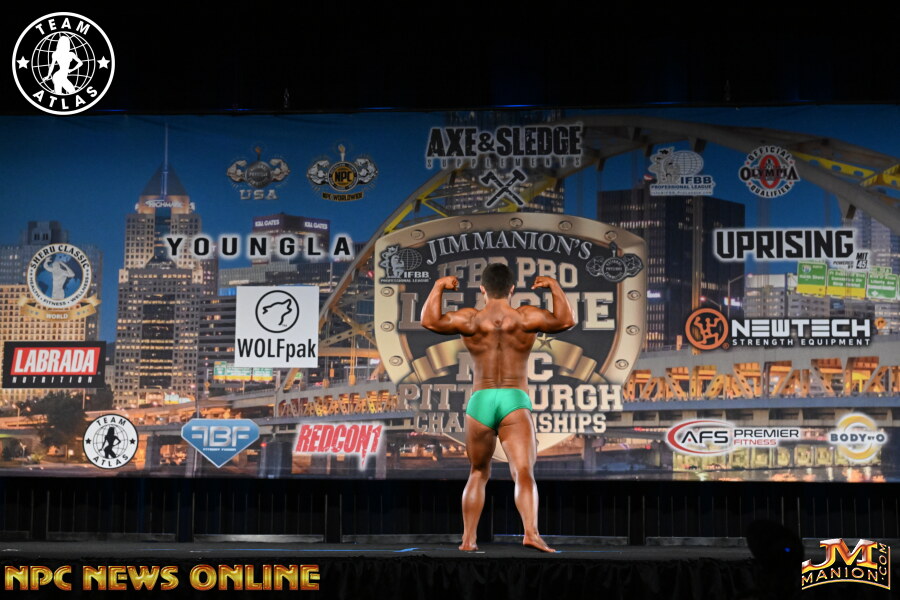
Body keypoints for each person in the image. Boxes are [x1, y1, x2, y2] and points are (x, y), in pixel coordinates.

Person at [421, 262, 575, 552]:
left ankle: (468, 540)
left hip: (481, 399)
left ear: (483, 289)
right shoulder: (525, 316)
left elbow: (430, 322)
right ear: (511, 289)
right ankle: (531, 534)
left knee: (478, 472)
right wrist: (554, 286)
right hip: (513, 399)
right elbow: (565, 321)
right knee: (523, 472)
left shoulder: (471, 319)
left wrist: (439, 286)